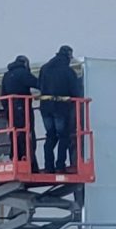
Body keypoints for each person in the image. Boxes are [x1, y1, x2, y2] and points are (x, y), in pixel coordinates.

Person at [37, 46, 83, 176]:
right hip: (61, 108)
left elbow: (39, 85)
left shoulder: (44, 68)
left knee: (50, 136)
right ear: (68, 57)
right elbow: (75, 92)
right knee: (63, 136)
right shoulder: (68, 71)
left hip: (45, 107)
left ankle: (48, 166)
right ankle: (60, 166)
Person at [0, 54, 37, 168]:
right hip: (23, 108)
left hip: (11, 109)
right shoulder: (23, 73)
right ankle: (29, 161)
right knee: (27, 133)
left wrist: (7, 109)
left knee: (14, 133)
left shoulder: (7, 75)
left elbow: (2, 95)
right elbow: (38, 84)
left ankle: (15, 157)